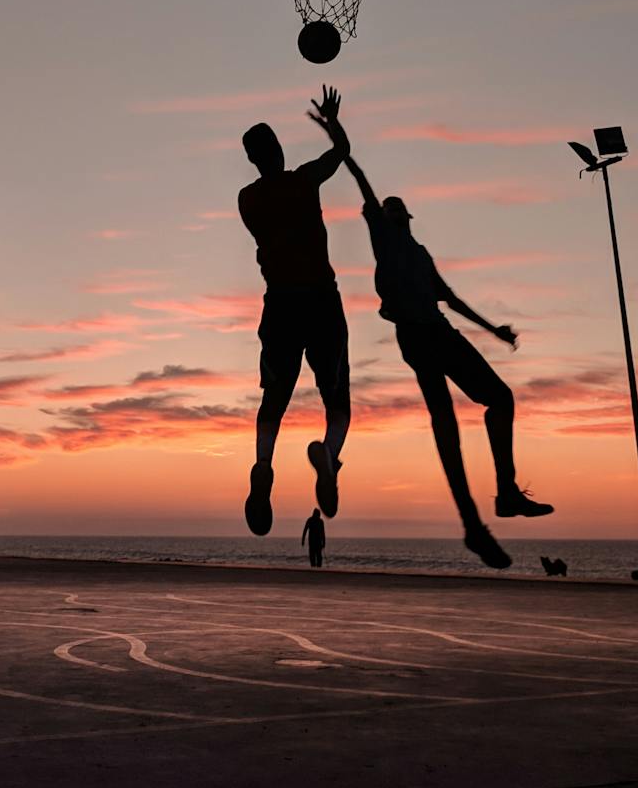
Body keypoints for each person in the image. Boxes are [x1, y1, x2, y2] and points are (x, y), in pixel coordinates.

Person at [342, 145, 553, 571]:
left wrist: (494, 330)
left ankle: (506, 494)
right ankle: (473, 525)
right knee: (446, 426)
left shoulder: (419, 253)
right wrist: (339, 140)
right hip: (416, 337)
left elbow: (451, 299)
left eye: (398, 209)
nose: (393, 212)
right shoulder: (384, 241)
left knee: (501, 399)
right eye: (389, 209)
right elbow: (362, 181)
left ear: (407, 219)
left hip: (441, 331)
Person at [237, 87, 352, 535]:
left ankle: (263, 465)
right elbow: (341, 151)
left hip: (280, 302)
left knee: (274, 399)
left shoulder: (248, 199)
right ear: (279, 150)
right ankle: (329, 458)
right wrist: (331, 124)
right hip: (321, 298)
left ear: (252, 161)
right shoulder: (303, 180)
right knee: (337, 399)